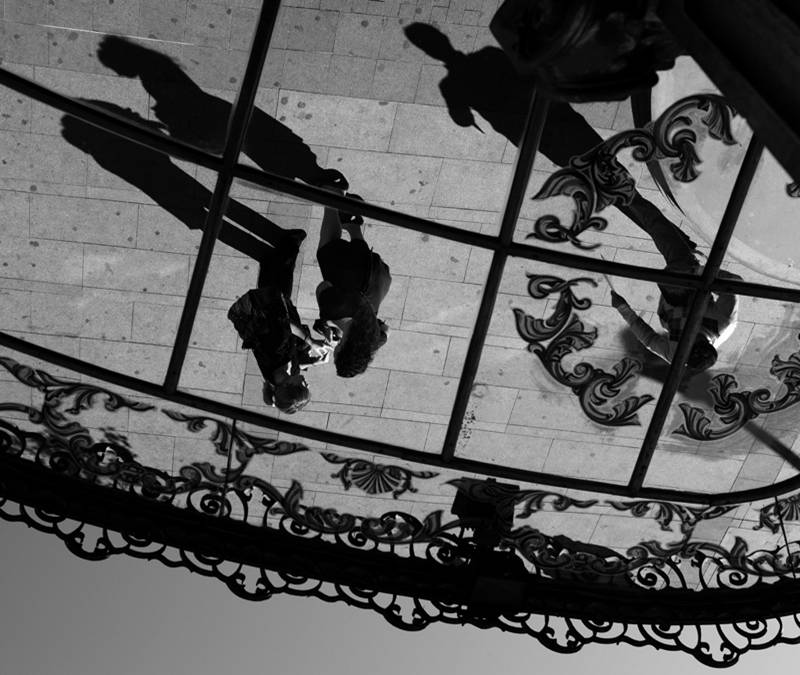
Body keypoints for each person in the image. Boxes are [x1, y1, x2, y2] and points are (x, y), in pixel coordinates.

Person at [403, 23, 698, 253]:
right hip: (561, 123)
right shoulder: (487, 57)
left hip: (545, 136)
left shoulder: (452, 85)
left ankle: (675, 242)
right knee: (615, 186)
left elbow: (461, 117)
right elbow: (532, 75)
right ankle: (674, 240)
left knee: (615, 189)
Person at [609, 216, 740, 374]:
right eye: (694, 339)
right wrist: (698, 272)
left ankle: (683, 247)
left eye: (686, 343)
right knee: (665, 238)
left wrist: (623, 308)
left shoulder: (677, 355)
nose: (689, 337)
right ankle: (632, 204)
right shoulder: (724, 322)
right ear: (706, 342)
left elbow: (649, 339)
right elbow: (734, 284)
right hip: (690, 282)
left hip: (671, 306)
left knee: (667, 241)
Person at [228, 233, 332, 413]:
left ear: (289, 385)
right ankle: (274, 256)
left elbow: (285, 325)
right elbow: (295, 365)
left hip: (264, 310)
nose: (307, 383)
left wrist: (311, 342)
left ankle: (290, 241)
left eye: (304, 386)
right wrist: (313, 363)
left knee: (282, 279)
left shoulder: (275, 355)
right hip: (271, 314)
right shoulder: (283, 376)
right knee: (275, 279)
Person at [315, 194, 391, 377]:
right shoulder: (334, 313)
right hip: (354, 270)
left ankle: (353, 225)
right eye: (337, 354)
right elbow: (323, 287)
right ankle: (332, 197)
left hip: (377, 275)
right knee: (326, 250)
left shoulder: (373, 342)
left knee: (359, 271)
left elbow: (387, 331)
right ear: (342, 349)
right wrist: (330, 321)